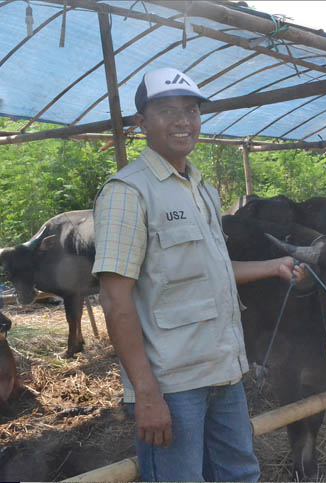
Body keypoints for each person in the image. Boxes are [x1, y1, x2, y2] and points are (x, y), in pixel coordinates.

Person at [92, 67, 304, 482]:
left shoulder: (202, 189)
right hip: (172, 384)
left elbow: (215, 269)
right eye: (167, 110)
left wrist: (273, 267)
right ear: (141, 122)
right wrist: (146, 393)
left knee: (240, 474)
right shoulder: (127, 193)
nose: (183, 121)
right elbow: (116, 301)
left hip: (223, 369)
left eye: (191, 110)